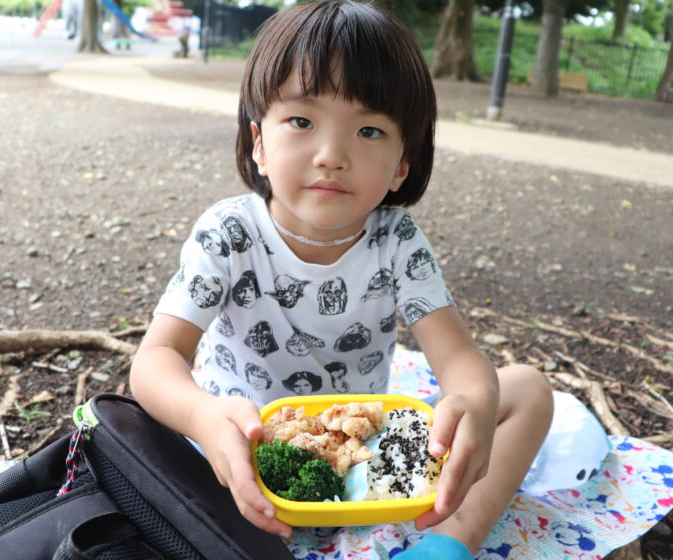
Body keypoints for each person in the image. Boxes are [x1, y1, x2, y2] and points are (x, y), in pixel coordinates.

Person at [129, 1, 554, 558]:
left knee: (527, 389)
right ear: (259, 142)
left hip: (365, 454)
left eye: (370, 130)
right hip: (236, 454)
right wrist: (205, 418)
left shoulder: (397, 240)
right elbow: (155, 360)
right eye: (302, 122)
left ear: (404, 163)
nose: (332, 156)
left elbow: (459, 359)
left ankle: (449, 542)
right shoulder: (228, 232)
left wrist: (472, 403)